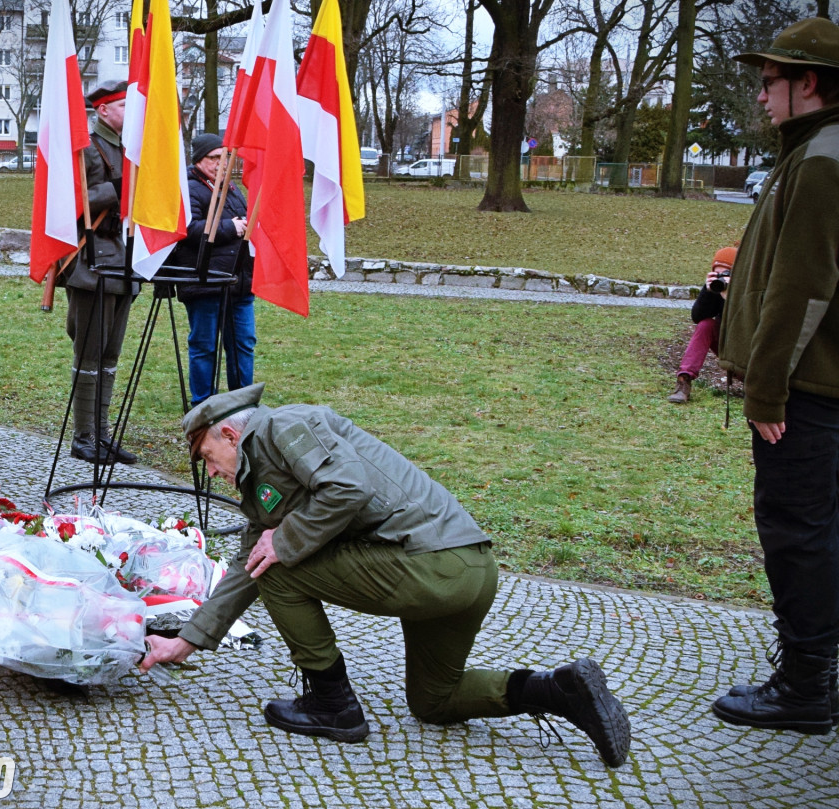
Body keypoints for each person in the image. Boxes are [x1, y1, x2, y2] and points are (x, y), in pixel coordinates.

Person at [140, 383, 631, 767]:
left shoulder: (283, 428)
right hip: (469, 571)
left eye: (206, 456)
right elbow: (250, 561)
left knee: (282, 572)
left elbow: (347, 486)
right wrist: (187, 639)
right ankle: (561, 689)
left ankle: (333, 704)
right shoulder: (263, 472)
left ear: (230, 434)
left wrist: (286, 542)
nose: (209, 472)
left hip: (432, 564)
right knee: (435, 702)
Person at [711, 17, 839, 736]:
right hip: (819, 387)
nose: (761, 97)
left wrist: (766, 388)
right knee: (820, 530)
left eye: (770, 83)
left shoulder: (823, 158)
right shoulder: (814, 152)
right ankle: (818, 673)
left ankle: (803, 686)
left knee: (798, 533)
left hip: (806, 394)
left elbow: (802, 287)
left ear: (808, 83)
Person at [64, 80, 138, 465]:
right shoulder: (88, 148)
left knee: (110, 354)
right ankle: (83, 436)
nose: (130, 111)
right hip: (92, 260)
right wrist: (118, 188)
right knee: (89, 352)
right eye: (123, 105)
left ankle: (102, 434)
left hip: (123, 259)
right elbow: (73, 201)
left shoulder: (132, 149)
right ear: (103, 110)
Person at [169, 133, 256, 407]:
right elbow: (186, 229)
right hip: (204, 281)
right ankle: (203, 406)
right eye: (214, 157)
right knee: (204, 346)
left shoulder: (231, 188)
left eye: (225, 156)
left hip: (237, 282)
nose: (221, 163)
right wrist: (230, 227)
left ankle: (241, 405)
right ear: (199, 160)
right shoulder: (189, 187)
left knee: (243, 344)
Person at [667, 246, 736, 404]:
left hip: (750, 359)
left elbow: (745, 327)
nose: (721, 278)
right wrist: (708, 290)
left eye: (726, 273)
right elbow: (697, 317)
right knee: (706, 324)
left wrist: (731, 295)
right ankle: (683, 381)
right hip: (727, 348)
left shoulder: (750, 291)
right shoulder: (716, 289)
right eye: (717, 274)